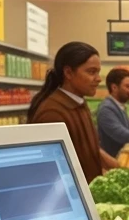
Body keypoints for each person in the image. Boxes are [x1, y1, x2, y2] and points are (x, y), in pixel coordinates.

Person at [28, 41, 112, 181]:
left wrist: (117, 167)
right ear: (68, 72)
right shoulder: (52, 113)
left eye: (98, 72)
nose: (98, 79)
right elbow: (50, 172)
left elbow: (89, 149)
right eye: (91, 72)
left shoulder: (79, 103)